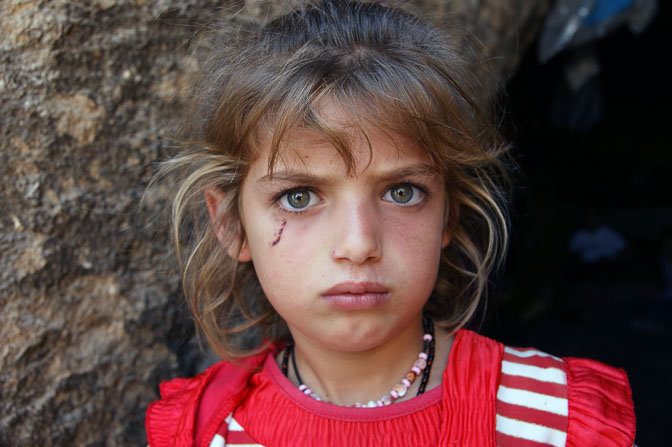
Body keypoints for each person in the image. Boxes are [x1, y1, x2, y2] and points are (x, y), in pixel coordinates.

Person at [145, 1, 636, 446]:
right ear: (231, 224)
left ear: (450, 212)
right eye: (298, 197)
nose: (358, 244)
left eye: (403, 193)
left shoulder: (555, 420)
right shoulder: (201, 429)